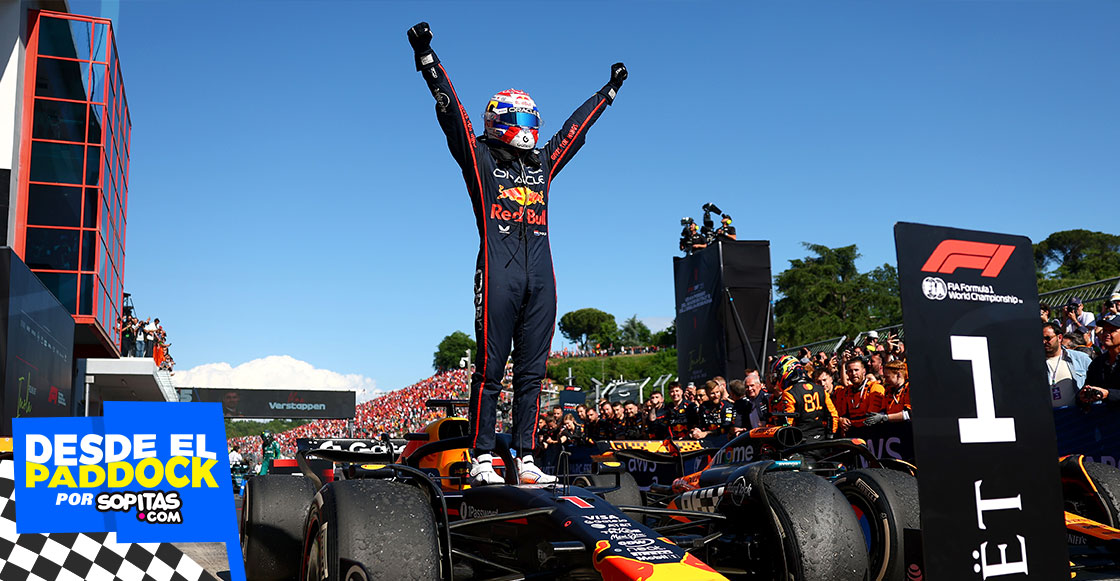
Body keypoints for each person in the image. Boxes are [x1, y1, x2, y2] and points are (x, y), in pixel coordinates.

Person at [408, 22, 626, 486]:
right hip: (498, 274)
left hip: (542, 278)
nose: (529, 131)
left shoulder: (542, 166)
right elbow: (455, 118)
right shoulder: (481, 161)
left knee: (533, 374)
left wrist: (607, 93)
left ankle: (525, 458)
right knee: (489, 371)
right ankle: (483, 457)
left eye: (532, 123)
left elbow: (574, 129)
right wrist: (428, 60)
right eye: (522, 122)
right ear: (500, 122)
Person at [767, 356, 837, 446]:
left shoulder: (789, 393)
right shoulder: (819, 389)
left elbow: (788, 423)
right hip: (823, 441)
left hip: (802, 444)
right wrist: (830, 437)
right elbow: (833, 415)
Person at [831, 358, 886, 434]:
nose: (853, 373)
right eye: (850, 371)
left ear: (864, 371)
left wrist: (852, 423)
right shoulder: (846, 391)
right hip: (853, 432)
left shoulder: (875, 388)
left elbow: (871, 418)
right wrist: (841, 420)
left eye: (856, 370)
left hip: (871, 432)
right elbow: (842, 414)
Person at [1043, 320, 1091, 408]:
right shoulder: (1034, 363)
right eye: (1041, 339)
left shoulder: (1080, 359)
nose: (1044, 342)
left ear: (1060, 337)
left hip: (1076, 414)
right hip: (1048, 416)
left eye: (1047, 338)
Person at [1080, 313, 1120, 404]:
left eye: (1112, 330)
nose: (1106, 334)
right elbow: (1089, 386)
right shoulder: (1098, 363)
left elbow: (1107, 393)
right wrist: (1083, 395)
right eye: (1105, 330)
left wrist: (1108, 394)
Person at [866, 360, 910, 424]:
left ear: (898, 374)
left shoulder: (908, 388)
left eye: (887, 377)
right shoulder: (888, 391)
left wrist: (885, 417)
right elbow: (883, 410)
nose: (885, 380)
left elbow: (908, 414)